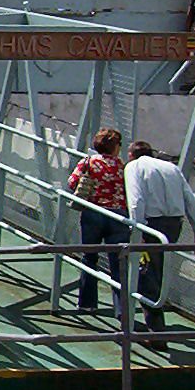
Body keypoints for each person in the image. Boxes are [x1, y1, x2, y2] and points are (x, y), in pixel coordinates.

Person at [124, 140, 195, 334]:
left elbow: (136, 201)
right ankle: (156, 324)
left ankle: (156, 331)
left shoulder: (133, 167)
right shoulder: (171, 168)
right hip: (173, 224)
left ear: (131, 155)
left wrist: (138, 231)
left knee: (147, 273)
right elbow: (189, 199)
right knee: (158, 269)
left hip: (151, 225)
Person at [67, 127, 128, 312]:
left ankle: (87, 303)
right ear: (115, 146)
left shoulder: (88, 162)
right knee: (118, 262)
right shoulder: (122, 165)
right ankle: (121, 310)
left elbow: (72, 183)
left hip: (93, 212)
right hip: (118, 215)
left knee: (89, 257)